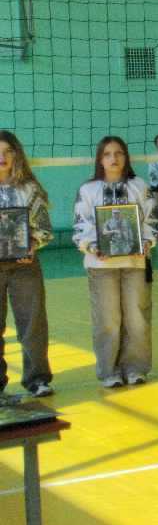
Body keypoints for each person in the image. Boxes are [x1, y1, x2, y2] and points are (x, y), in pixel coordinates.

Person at [74, 135, 158, 388]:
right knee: (107, 320)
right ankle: (109, 371)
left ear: (126, 157)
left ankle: (135, 368)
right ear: (100, 159)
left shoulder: (139, 186)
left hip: (135, 264)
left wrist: (147, 242)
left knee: (137, 318)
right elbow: (81, 226)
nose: (114, 158)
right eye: (108, 154)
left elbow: (152, 220)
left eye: (119, 153)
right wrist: (93, 246)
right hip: (101, 266)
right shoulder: (88, 190)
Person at [0, 130, 53, 397]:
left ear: (16, 155)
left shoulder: (29, 189)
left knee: (32, 323)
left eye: (8, 151)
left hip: (25, 264)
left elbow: (44, 228)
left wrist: (32, 244)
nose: (2, 157)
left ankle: (37, 378)